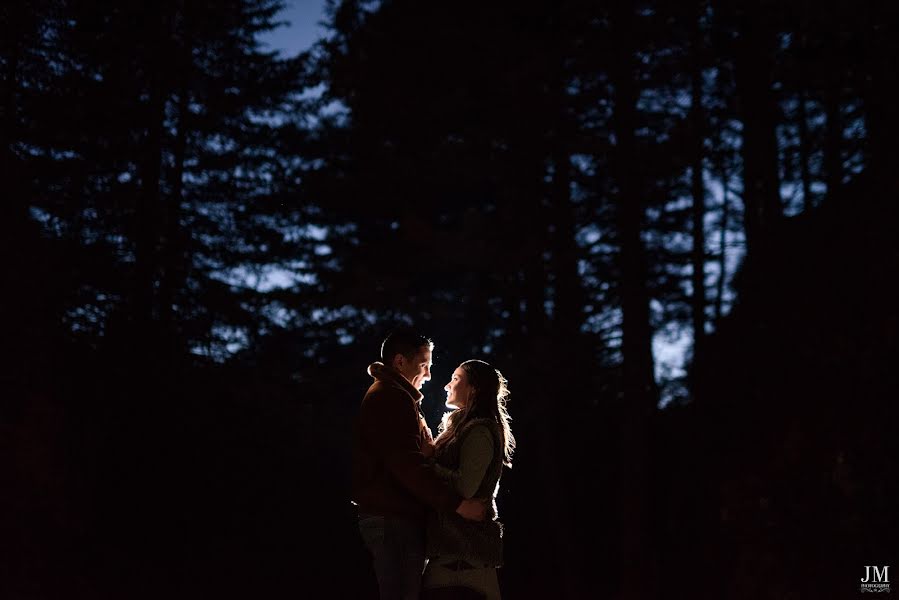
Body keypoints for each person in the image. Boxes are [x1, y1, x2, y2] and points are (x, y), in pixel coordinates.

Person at [352, 329, 487, 600]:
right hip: (393, 520)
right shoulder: (390, 397)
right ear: (400, 362)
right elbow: (407, 465)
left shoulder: (399, 397)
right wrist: (458, 505)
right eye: (424, 365)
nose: (428, 375)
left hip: (396, 518)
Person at [421, 359, 515, 600]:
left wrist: (429, 463)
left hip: (463, 563)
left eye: (455, 379)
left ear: (473, 389)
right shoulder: (462, 428)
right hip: (452, 556)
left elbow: (466, 486)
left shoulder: (480, 431)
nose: (446, 385)